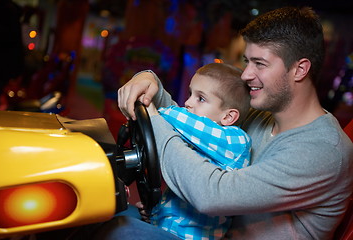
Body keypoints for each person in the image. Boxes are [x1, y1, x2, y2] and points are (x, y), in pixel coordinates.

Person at [94, 6, 353, 240]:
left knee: (114, 232)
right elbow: (194, 123)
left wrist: (153, 115)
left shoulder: (323, 150)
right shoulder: (261, 116)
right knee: (99, 212)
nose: (247, 75)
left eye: (259, 64)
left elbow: (212, 195)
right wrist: (149, 82)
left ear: (299, 70)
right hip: (207, 232)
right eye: (247, 62)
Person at [146, 63, 251, 240]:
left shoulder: (236, 141)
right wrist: (155, 212)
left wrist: (155, 112)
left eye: (200, 98)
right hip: (166, 227)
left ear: (228, 116)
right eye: (190, 94)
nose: (187, 103)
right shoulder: (200, 141)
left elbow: (182, 120)